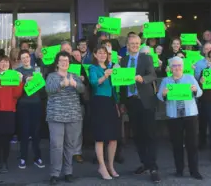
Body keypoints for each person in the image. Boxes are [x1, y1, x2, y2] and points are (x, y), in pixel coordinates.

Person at [119, 35, 160, 183]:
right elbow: (121, 84)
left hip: (146, 101)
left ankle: (153, 167)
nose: (135, 45)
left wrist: (143, 79)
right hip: (131, 102)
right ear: (127, 45)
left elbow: (153, 75)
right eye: (132, 43)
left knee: (149, 135)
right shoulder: (123, 61)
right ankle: (145, 163)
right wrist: (122, 103)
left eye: (137, 43)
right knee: (137, 135)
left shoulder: (146, 58)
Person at [157, 57, 203, 180]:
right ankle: (179, 170)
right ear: (170, 68)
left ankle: (194, 171)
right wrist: (164, 94)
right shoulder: (166, 81)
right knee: (177, 144)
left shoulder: (190, 78)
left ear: (182, 67)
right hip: (174, 116)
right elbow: (159, 96)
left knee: (192, 144)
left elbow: (200, 93)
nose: (177, 68)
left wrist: (195, 90)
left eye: (179, 65)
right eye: (174, 66)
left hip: (190, 115)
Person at [45, 51, 85, 185]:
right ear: (57, 62)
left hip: (73, 116)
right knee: (56, 146)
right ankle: (55, 173)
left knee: (70, 146)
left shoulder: (74, 76)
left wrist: (75, 84)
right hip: (55, 116)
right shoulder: (51, 76)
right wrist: (62, 84)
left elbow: (83, 89)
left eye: (67, 61)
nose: (64, 63)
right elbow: (48, 89)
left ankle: (68, 172)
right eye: (62, 60)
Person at [88, 46, 120, 180]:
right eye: (99, 53)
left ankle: (110, 165)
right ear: (95, 55)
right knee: (100, 137)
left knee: (113, 137)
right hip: (99, 102)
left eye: (105, 53)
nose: (102, 55)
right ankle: (101, 166)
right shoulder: (93, 68)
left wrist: (117, 104)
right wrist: (105, 75)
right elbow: (94, 83)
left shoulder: (113, 67)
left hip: (111, 102)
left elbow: (115, 86)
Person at [0, 55, 24, 172]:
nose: (4, 64)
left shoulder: (13, 77)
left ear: (9, 65)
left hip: (9, 111)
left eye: (6, 62)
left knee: (6, 138)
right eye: (1, 62)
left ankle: (4, 162)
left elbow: (17, 95)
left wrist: (20, 82)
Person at [16, 50, 46, 169]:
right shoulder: (17, 72)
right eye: (23, 58)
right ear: (20, 60)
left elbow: (42, 90)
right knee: (24, 132)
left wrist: (41, 80)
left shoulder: (37, 70)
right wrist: (23, 81)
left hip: (36, 104)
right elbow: (16, 90)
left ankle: (37, 157)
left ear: (30, 58)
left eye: (27, 57)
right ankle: (23, 157)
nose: (25, 59)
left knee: (36, 132)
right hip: (23, 105)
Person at [193, 42, 211, 150]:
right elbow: (196, 79)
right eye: (206, 48)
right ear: (203, 51)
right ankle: (202, 142)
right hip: (203, 95)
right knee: (203, 120)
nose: (208, 50)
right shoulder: (198, 63)